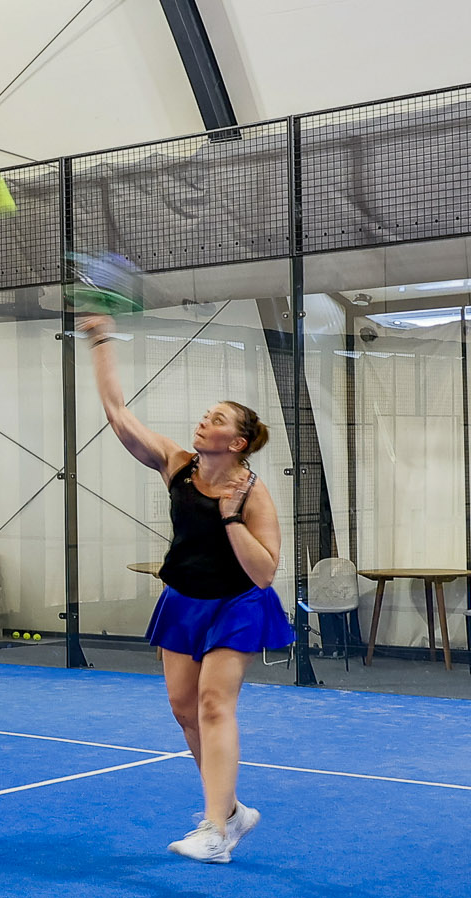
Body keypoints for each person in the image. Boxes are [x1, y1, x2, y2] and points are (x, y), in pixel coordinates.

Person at [83, 314, 295, 863]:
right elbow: (118, 413)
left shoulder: (253, 492)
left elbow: (266, 572)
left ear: (238, 440)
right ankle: (231, 812)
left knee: (213, 704)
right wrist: (100, 340)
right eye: (205, 415)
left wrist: (231, 519)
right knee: (183, 709)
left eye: (217, 419)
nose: (204, 422)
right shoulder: (177, 464)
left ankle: (215, 832)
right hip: (182, 602)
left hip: (237, 605)